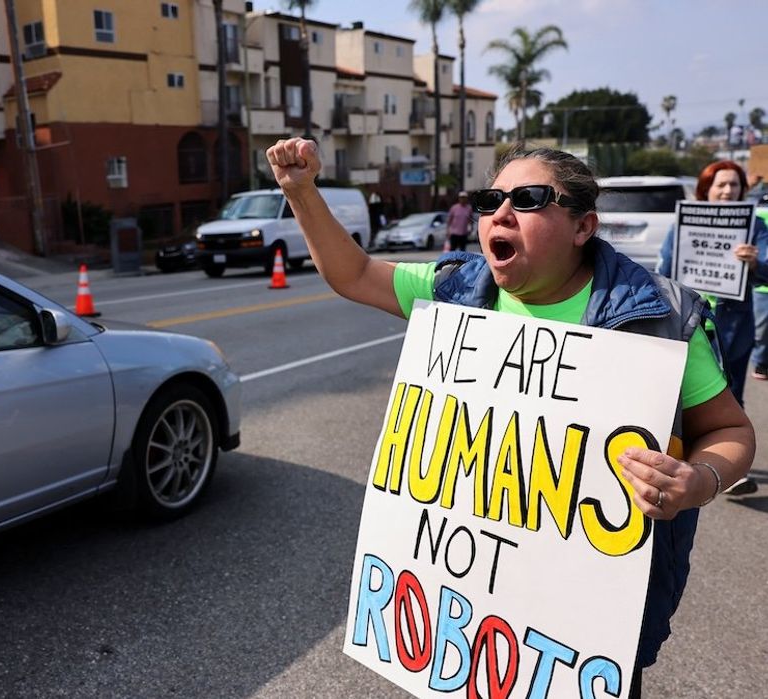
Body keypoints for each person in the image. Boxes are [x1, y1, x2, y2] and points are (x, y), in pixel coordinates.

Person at [266, 137, 755, 698]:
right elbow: (352, 274)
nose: (499, 213)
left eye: (527, 198)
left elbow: (730, 431)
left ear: (583, 226)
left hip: (586, 634)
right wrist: (300, 191)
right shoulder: (456, 289)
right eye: (489, 199)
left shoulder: (657, 317)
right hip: (472, 626)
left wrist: (699, 480)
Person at [656, 160, 767, 496]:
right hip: (690, 322)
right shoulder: (684, 222)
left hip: (734, 322)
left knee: (730, 393)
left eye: (734, 185)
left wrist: (755, 262)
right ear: (707, 188)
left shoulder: (754, 226)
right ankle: (680, 453)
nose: (728, 191)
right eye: (721, 185)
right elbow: (664, 266)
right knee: (682, 390)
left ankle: (729, 468)